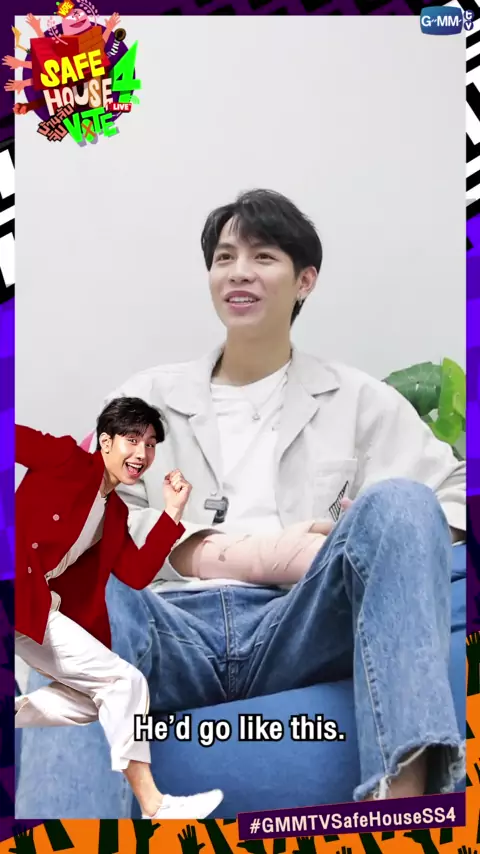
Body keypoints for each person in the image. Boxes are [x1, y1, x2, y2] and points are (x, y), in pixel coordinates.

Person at [18, 188, 466, 816]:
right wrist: (239, 554)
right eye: (225, 258)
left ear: (305, 280)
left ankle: (402, 811)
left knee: (401, 503)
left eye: (263, 256)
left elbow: (449, 500)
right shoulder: (145, 400)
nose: (239, 272)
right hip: (169, 627)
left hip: (299, 626)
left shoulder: (360, 400)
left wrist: (354, 542)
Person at [15, 396, 224, 820]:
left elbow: (136, 573)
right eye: (132, 440)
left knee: (95, 702)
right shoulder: (65, 458)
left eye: (150, 445)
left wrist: (172, 513)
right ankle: (155, 805)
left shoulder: (115, 513)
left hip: (36, 608)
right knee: (124, 684)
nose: (142, 453)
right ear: (105, 442)